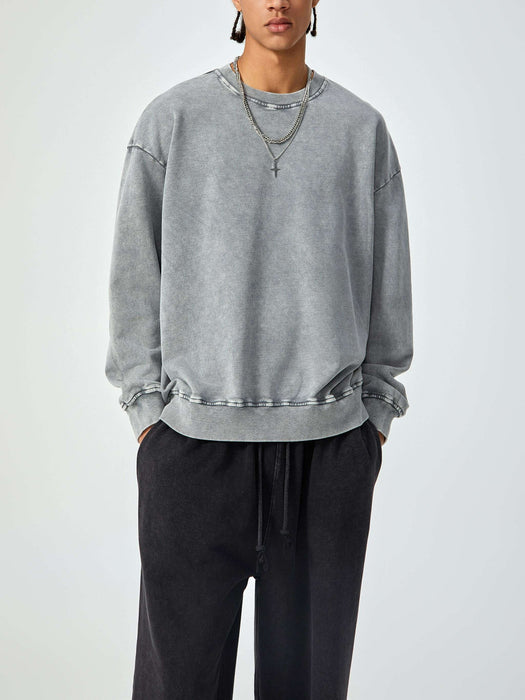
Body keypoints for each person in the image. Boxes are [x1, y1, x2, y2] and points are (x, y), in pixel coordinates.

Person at [105, 1, 413, 697]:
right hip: (192, 452)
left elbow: (388, 290)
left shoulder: (360, 131)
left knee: (309, 686)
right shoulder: (171, 122)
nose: (277, 2)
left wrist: (372, 419)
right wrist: (150, 415)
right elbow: (133, 276)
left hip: (328, 455)